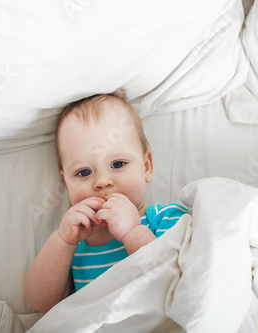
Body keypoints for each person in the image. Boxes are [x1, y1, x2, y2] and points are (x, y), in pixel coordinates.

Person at [24, 88, 188, 312]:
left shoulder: (164, 218)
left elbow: (179, 280)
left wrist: (132, 232)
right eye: (83, 172)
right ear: (66, 183)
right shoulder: (74, 246)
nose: (102, 182)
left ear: (146, 166)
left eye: (118, 164)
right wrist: (62, 241)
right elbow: (41, 304)